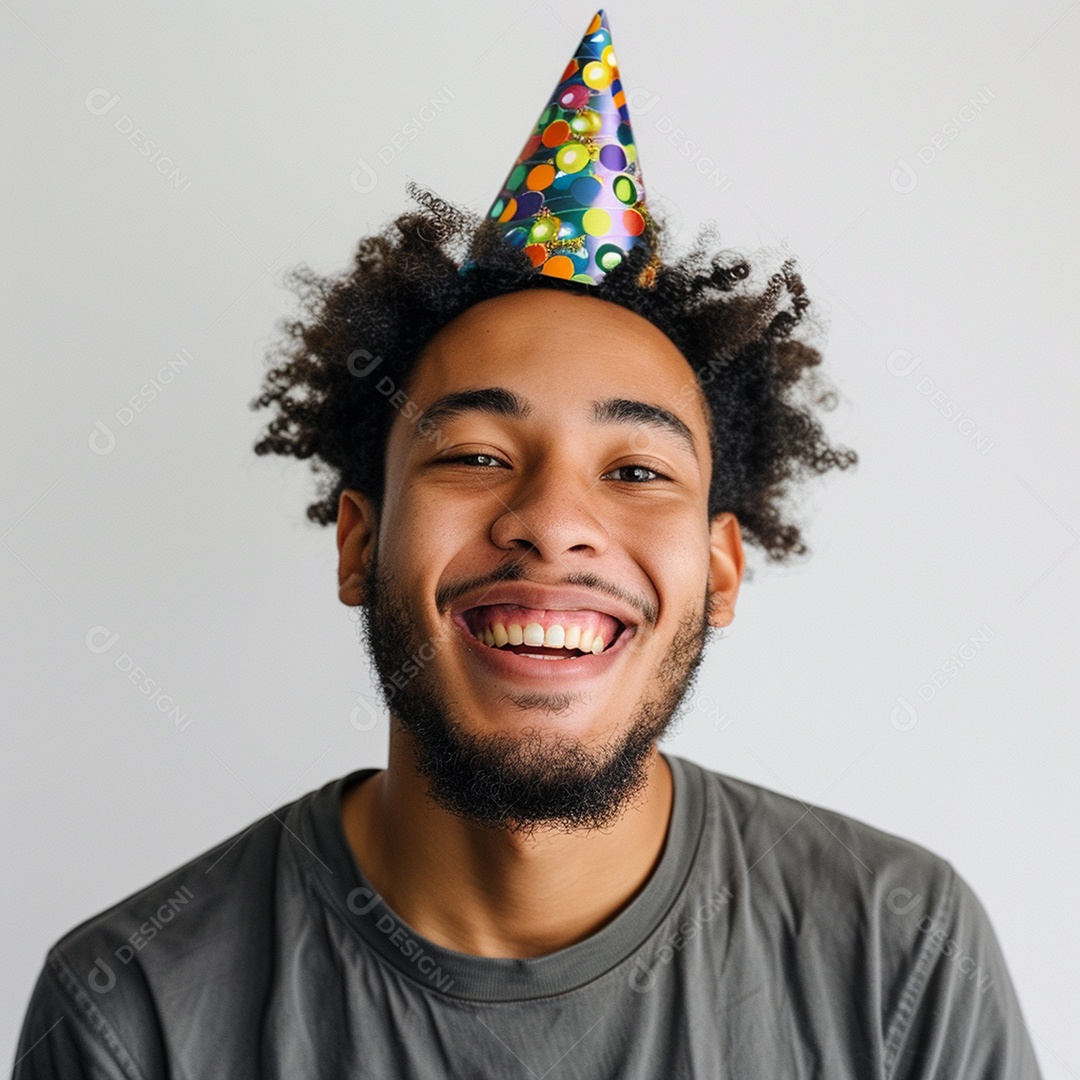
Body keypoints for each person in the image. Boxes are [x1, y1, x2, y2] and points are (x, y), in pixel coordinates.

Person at [12, 10, 1042, 1078]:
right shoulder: (132, 1010)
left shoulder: (901, 955)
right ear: (357, 543)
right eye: (474, 456)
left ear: (723, 568)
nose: (554, 520)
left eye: (637, 472)